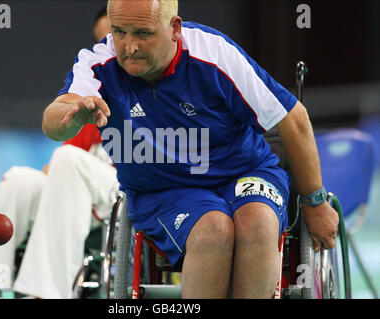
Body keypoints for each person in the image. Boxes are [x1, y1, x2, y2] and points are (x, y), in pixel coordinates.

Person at [42, 0, 340, 298]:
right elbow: (55, 119)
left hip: (244, 171)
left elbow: (292, 116)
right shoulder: (98, 63)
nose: (129, 47)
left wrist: (314, 201)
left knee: (259, 224)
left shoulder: (213, 54)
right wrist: (74, 114)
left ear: (175, 28)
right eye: (119, 31)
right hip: (165, 189)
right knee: (214, 231)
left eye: (143, 34)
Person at [0, 8, 118, 299]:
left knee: (67, 161)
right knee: (20, 179)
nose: (107, 48)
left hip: (126, 197)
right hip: (82, 192)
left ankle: (44, 292)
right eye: (101, 41)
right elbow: (61, 165)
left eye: (116, 35)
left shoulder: (149, 89)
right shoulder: (91, 96)